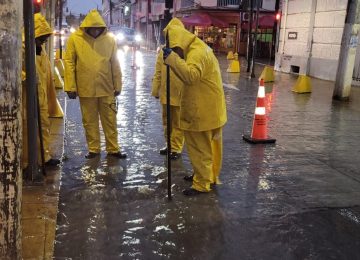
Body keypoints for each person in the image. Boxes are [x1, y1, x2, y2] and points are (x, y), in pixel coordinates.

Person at [163, 18, 227, 196]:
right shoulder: (198, 47)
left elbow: (191, 76)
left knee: (200, 149)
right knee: (207, 148)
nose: (177, 52)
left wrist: (172, 59)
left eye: (176, 49)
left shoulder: (196, 53)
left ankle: (201, 184)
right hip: (210, 109)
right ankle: (206, 175)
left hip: (202, 111)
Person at [64, 9, 126, 159]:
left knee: (110, 120)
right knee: (89, 121)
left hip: (106, 88)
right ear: (86, 27)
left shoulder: (110, 40)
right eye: (93, 28)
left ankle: (113, 149)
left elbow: (115, 64)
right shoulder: (75, 39)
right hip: (86, 89)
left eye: (98, 28)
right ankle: (94, 149)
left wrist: (117, 85)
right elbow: (69, 63)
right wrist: (70, 87)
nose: (96, 30)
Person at [22, 13, 62, 169]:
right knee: (28, 130)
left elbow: (46, 74)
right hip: (28, 97)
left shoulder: (41, 49)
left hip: (42, 96)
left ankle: (44, 157)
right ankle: (28, 161)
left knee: (44, 126)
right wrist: (27, 78)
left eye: (45, 38)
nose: (44, 41)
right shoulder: (23, 49)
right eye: (42, 38)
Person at [152, 38, 185, 160]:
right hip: (166, 94)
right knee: (167, 122)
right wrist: (156, 89)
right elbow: (158, 72)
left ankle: (176, 148)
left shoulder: (184, 50)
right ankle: (169, 144)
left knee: (177, 123)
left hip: (180, 93)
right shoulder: (163, 51)